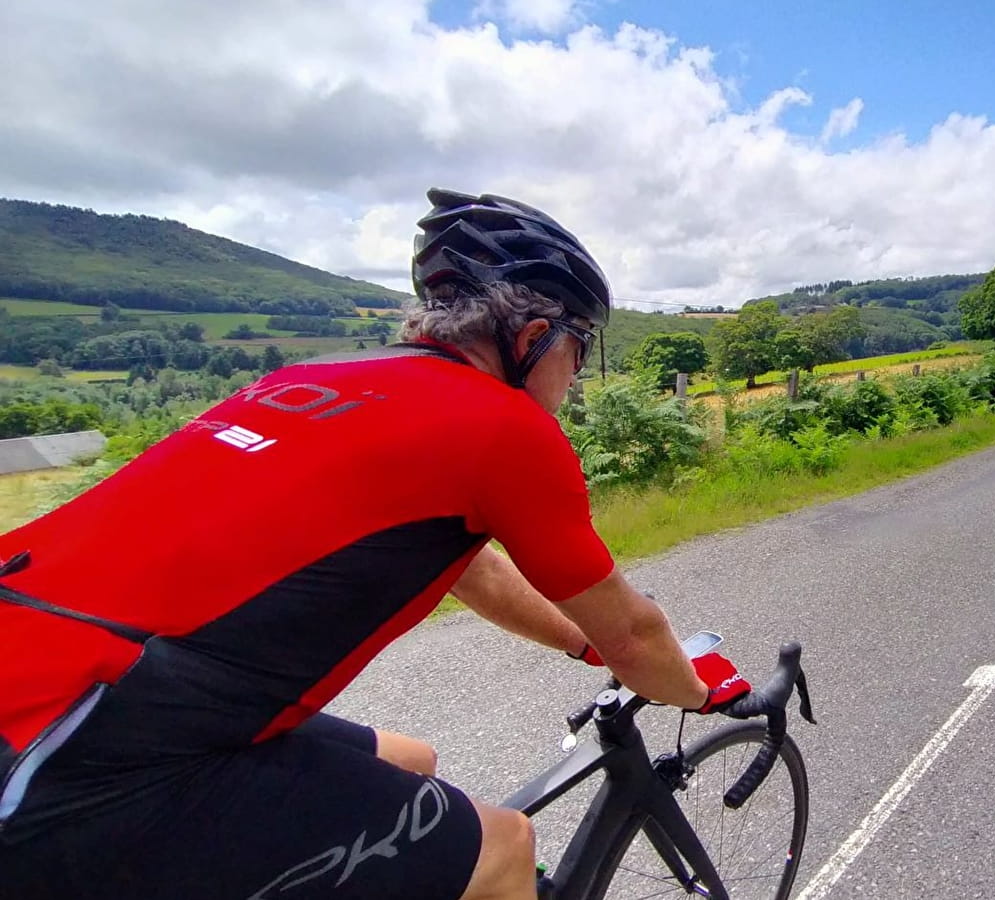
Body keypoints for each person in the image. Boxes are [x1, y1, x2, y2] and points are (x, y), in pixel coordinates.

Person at [0, 189, 754, 900]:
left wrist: (581, 647)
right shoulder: (505, 427)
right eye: (579, 348)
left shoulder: (323, 374)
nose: (577, 371)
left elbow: (473, 571)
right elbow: (634, 633)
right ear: (532, 339)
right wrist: (699, 688)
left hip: (62, 675)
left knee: (412, 763)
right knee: (504, 852)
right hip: (71, 750)